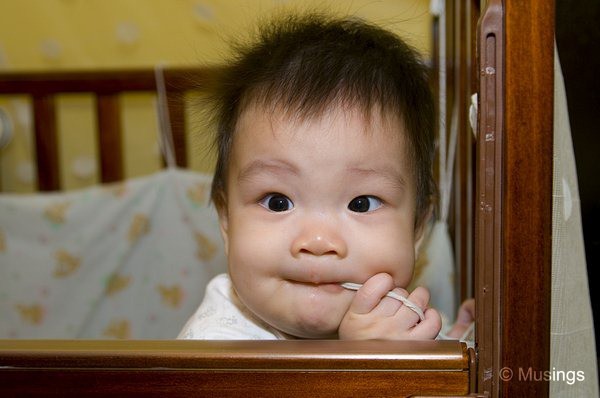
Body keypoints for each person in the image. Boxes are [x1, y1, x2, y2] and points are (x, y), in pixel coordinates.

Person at [179, 12, 469, 340]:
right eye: (278, 202)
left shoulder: (400, 317)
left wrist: (452, 345)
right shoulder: (214, 344)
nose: (317, 242)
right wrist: (361, 371)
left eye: (361, 203)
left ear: (417, 228)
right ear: (226, 219)